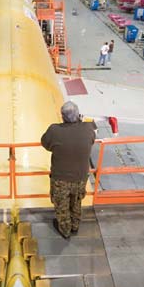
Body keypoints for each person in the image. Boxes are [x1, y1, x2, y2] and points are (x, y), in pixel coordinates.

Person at [41, 102, 97, 239]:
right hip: (81, 177)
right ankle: (75, 226)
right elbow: (92, 138)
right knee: (76, 201)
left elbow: (45, 143)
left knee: (62, 205)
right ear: (78, 114)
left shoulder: (54, 130)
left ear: (63, 117)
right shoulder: (88, 129)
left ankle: (65, 230)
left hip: (61, 178)